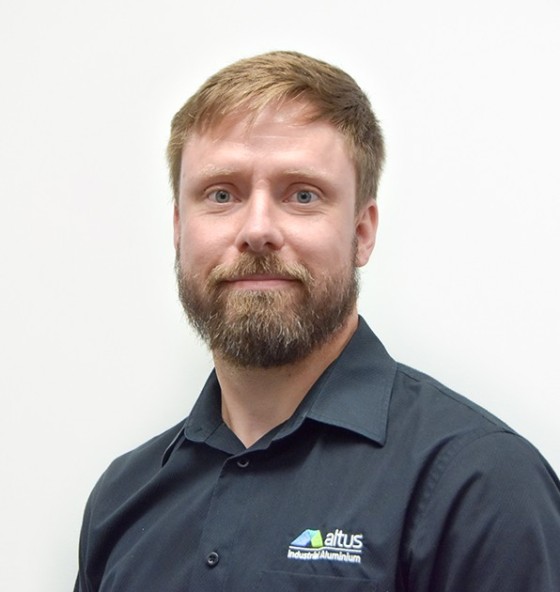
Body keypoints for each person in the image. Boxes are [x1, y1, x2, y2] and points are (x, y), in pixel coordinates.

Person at [74, 51, 560, 592]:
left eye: (302, 195)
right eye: (221, 194)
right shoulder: (122, 500)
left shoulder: (480, 485)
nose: (257, 230)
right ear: (178, 229)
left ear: (362, 232)